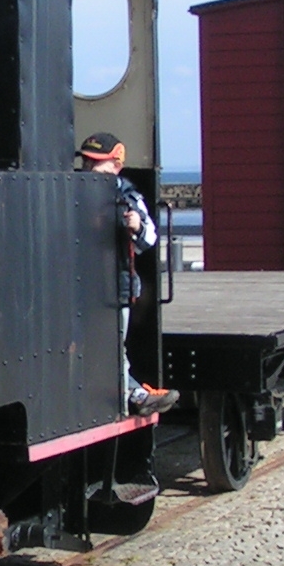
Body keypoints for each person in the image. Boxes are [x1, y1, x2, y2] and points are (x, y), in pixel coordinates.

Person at [78, 132, 180, 416]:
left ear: (115, 165)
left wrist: (135, 226)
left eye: (95, 162)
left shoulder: (126, 195)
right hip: (87, 285)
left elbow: (149, 240)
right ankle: (134, 394)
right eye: (86, 161)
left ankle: (133, 395)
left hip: (115, 287)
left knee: (112, 346)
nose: (88, 168)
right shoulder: (76, 191)